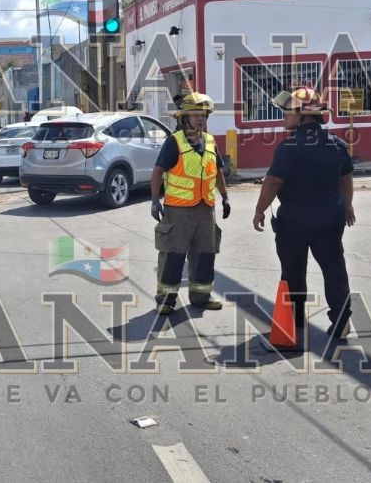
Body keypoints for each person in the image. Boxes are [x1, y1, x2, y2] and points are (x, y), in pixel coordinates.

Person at [251, 87, 356, 341]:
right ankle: (341, 320)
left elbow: (273, 181)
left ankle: (294, 320)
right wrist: (348, 205)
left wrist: (260, 209)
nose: (284, 117)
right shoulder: (338, 144)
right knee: (334, 267)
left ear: (303, 115)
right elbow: (346, 179)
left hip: (295, 221)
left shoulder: (289, 147)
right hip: (331, 218)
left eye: (288, 112)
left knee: (293, 269)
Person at [151, 92, 231, 315]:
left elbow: (217, 171)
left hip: (206, 209)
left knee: (205, 254)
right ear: (185, 118)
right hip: (178, 210)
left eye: (203, 115)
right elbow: (158, 171)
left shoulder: (210, 141)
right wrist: (155, 201)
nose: (200, 119)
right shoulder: (174, 142)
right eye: (195, 115)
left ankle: (201, 296)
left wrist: (225, 196)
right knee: (173, 255)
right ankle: (166, 300)